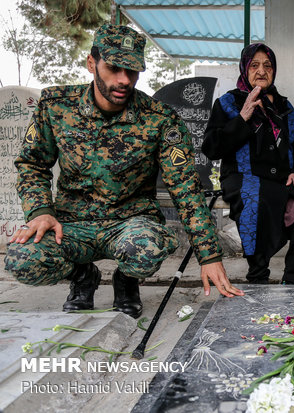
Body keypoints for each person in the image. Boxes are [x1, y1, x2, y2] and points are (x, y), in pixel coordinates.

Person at [4, 24, 244, 319]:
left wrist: (209, 255)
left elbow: (185, 188)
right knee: (22, 259)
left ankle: (126, 281)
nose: (123, 80)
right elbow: (32, 164)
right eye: (114, 68)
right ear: (92, 63)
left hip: (131, 223)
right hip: (72, 224)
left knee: (147, 248)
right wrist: (40, 211)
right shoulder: (55, 106)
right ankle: (83, 278)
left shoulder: (159, 119)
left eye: (132, 71)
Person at [202, 43, 294, 285]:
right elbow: (212, 148)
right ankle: (258, 273)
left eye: (267, 66)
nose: (261, 71)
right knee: (258, 198)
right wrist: (242, 118)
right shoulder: (229, 103)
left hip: (282, 178)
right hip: (241, 175)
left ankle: (292, 275)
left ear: (274, 70)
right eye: (255, 65)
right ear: (245, 69)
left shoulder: (285, 107)